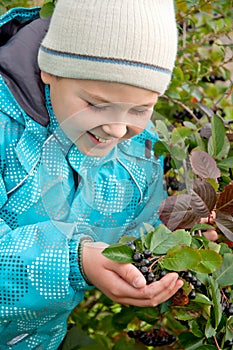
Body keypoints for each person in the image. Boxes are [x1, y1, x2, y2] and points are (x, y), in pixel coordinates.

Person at [0, 0, 185, 348]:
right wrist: (75, 261)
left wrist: (177, 237)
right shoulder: (5, 129)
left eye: (140, 109)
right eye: (97, 104)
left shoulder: (140, 151)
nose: (117, 129)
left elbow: (138, 230)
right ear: (49, 69)